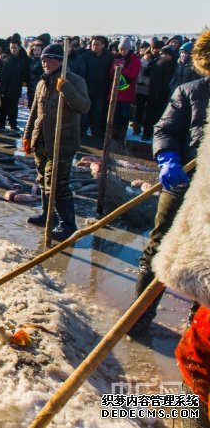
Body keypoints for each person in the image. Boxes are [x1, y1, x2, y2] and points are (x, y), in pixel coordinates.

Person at [128, 30, 210, 338]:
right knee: (160, 244)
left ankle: (197, 329)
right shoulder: (192, 91)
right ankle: (139, 316)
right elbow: (165, 129)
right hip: (184, 183)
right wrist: (167, 158)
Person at [22, 44, 91, 241]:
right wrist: (28, 135)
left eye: (50, 59)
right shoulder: (41, 83)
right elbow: (34, 111)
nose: (45, 63)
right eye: (43, 59)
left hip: (62, 142)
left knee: (57, 184)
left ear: (61, 61)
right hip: (42, 140)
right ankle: (47, 215)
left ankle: (68, 224)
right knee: (43, 180)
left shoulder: (74, 81)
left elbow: (84, 106)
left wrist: (66, 89)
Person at [80, 35, 113, 139]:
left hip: (102, 88)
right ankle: (82, 131)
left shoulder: (109, 57)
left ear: (103, 45)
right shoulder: (86, 56)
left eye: (97, 45)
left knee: (98, 111)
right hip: (87, 87)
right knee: (85, 111)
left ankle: (97, 131)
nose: (94, 46)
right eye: (93, 44)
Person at [109, 37, 141, 141]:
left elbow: (133, 75)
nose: (122, 51)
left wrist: (122, 68)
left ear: (129, 49)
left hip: (127, 91)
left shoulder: (135, 60)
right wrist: (114, 70)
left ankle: (122, 134)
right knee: (114, 114)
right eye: (121, 49)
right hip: (115, 91)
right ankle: (113, 134)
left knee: (124, 114)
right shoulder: (115, 59)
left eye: (125, 49)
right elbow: (110, 75)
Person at [0, 37, 29, 131]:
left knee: (13, 106)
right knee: (2, 106)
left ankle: (13, 124)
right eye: (11, 47)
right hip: (3, 85)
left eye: (15, 47)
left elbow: (26, 71)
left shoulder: (23, 58)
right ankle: (1, 123)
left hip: (15, 85)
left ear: (19, 47)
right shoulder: (5, 56)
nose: (13, 49)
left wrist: (24, 79)